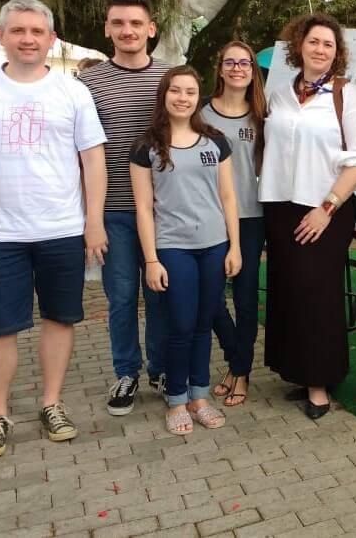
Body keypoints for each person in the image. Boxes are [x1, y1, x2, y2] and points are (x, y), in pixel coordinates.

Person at [0, 0, 107, 459]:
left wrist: (93, 222)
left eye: (37, 32)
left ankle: (51, 403)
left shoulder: (73, 92)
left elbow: (92, 159)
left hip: (61, 228)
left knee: (59, 319)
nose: (28, 39)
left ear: (51, 39)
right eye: (18, 31)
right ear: (1, 36)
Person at [259, 13, 356, 420]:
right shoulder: (282, 94)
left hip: (326, 208)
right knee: (288, 291)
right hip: (280, 206)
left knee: (318, 296)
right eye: (313, 42)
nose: (320, 49)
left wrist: (327, 208)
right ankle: (297, 372)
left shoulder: (350, 95)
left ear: (336, 52)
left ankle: (321, 382)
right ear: (299, 46)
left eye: (328, 44)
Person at [130, 66, 241, 435]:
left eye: (190, 92)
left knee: (203, 323)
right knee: (179, 324)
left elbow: (228, 196)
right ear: (164, 95)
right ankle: (176, 398)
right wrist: (150, 259)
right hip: (172, 247)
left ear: (198, 97)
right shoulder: (146, 146)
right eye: (175, 90)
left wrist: (235, 247)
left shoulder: (215, 141)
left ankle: (200, 395)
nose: (182, 97)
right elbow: (143, 208)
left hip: (214, 246)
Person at [80, 0, 170, 416]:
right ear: (107, 29)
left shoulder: (171, 78)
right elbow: (77, 154)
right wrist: (90, 219)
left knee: (159, 294)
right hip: (113, 210)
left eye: (136, 23)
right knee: (120, 297)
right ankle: (127, 372)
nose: (128, 31)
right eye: (118, 23)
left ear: (151, 28)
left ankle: (162, 368)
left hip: (163, 210)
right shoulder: (88, 83)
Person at [203, 40, 267, 406]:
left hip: (251, 217)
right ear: (221, 68)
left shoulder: (262, 116)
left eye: (245, 63)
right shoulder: (201, 115)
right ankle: (235, 355)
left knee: (245, 299)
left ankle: (241, 372)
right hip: (209, 217)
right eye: (231, 62)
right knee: (210, 298)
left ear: (252, 71)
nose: (238, 68)